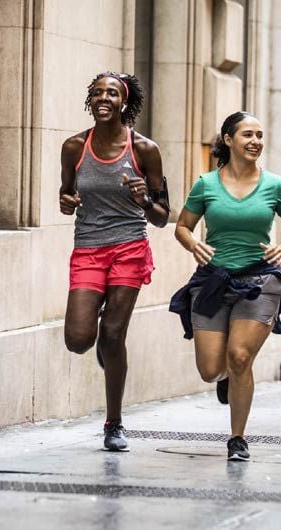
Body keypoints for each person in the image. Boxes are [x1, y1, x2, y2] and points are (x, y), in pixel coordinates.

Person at [170, 111, 281, 461]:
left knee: (240, 356)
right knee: (210, 369)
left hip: (260, 280)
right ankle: (225, 378)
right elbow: (182, 226)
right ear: (228, 139)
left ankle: (237, 439)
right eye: (248, 134)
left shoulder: (275, 185)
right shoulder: (206, 184)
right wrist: (192, 244)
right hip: (214, 281)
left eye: (260, 135)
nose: (256, 141)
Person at [59, 72, 169, 452]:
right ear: (89, 100)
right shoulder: (74, 147)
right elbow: (66, 193)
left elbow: (162, 215)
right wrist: (66, 202)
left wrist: (143, 199)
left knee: (112, 336)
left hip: (128, 248)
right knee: (77, 340)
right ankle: (107, 344)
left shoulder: (144, 150)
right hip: (88, 248)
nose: (103, 98)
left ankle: (114, 422)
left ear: (124, 102)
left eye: (111, 93)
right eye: (96, 92)